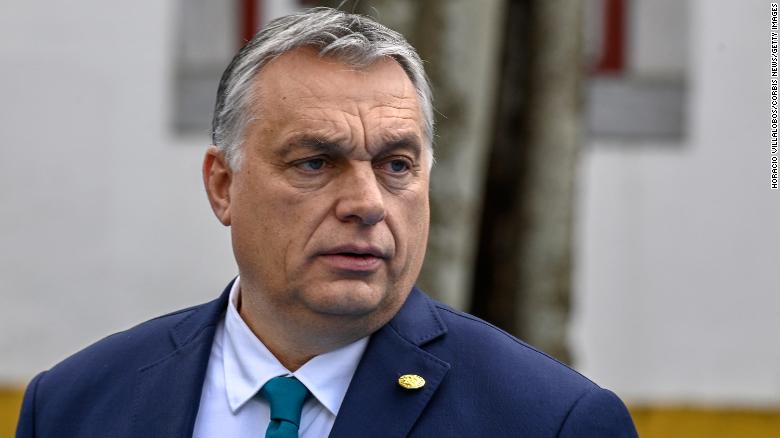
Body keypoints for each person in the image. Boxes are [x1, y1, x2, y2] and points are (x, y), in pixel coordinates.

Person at [16, 7, 637, 438]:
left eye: (396, 165)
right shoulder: (74, 407)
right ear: (223, 186)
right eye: (315, 162)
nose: (367, 203)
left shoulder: (549, 422)